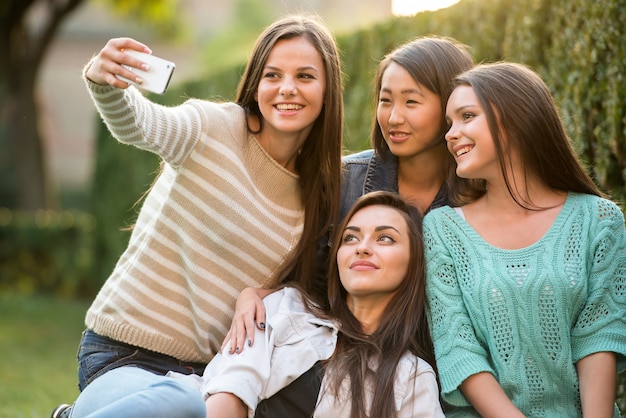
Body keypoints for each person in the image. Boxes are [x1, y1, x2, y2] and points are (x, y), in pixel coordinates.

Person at [51, 14, 344, 418]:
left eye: (306, 76)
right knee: (188, 406)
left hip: (209, 376)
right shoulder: (214, 127)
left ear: (329, 91)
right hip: (124, 356)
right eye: (273, 75)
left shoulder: (318, 197)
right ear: (257, 83)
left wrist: (256, 294)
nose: (287, 89)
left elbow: (298, 293)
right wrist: (106, 84)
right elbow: (139, 124)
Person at [224, 35, 475, 353]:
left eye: (411, 102)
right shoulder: (344, 182)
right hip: (347, 360)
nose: (394, 117)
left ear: (452, 105)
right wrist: (254, 295)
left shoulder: (477, 190)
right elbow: (309, 286)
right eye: (386, 101)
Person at [424, 62, 626, 417]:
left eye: (467, 116)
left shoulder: (600, 220)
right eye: (449, 123)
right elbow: (458, 348)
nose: (450, 134)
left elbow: (599, 337)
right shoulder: (442, 229)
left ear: (515, 119)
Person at [182, 191, 443, 417]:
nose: (362, 248)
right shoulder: (284, 309)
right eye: (350, 238)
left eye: (385, 238)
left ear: (414, 263)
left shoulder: (413, 378)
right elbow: (231, 392)